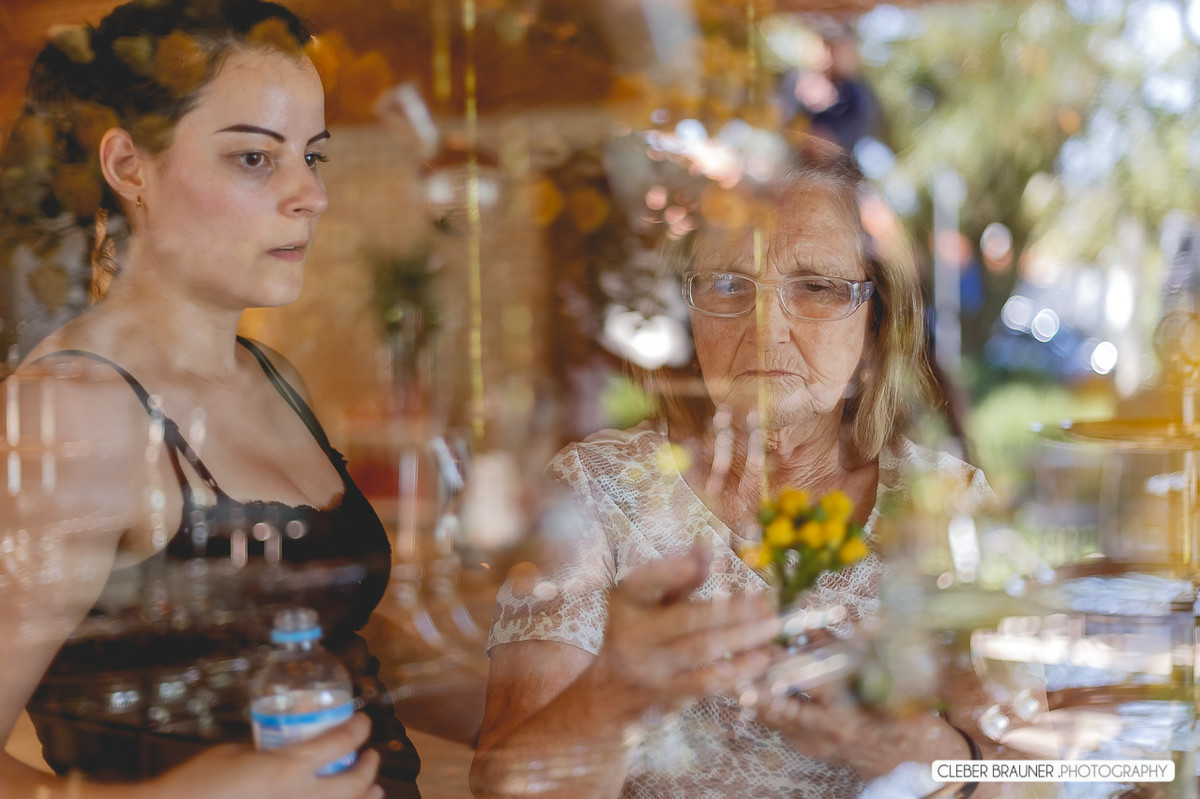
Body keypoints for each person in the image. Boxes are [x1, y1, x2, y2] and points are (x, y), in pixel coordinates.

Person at [471, 160, 995, 798]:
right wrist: (616, 692)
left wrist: (896, 747)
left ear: (875, 319)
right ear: (687, 319)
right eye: (727, 284)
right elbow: (506, 784)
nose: (766, 327)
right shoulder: (597, 492)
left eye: (817, 287)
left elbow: (1032, 779)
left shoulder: (948, 507)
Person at [0, 1, 420, 796]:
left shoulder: (271, 375)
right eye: (256, 159)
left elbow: (326, 619)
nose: (311, 195)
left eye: (312, 155)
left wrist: (558, 660)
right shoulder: (75, 414)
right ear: (128, 168)